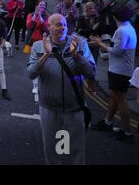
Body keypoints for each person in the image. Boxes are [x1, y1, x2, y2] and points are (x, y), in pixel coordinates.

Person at [27, 14, 95, 164]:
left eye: (64, 24)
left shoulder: (80, 44)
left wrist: (76, 55)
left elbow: (91, 73)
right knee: (52, 152)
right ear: (48, 27)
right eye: (57, 25)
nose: (62, 27)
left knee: (75, 153)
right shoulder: (39, 46)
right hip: (49, 110)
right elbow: (31, 73)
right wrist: (45, 55)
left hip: (74, 109)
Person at [89, 5, 137, 144]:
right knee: (114, 97)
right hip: (122, 69)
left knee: (120, 99)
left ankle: (127, 131)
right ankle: (108, 122)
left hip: (119, 70)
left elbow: (117, 52)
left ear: (115, 17)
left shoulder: (121, 31)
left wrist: (100, 44)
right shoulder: (130, 29)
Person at [26, 0, 49, 99]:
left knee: (43, 63)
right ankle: (35, 85)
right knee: (33, 64)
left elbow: (47, 28)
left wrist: (40, 16)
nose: (42, 7)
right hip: (32, 42)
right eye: (40, 5)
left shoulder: (47, 17)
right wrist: (35, 15)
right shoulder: (31, 14)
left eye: (44, 5)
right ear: (37, 6)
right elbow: (29, 25)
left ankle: (43, 83)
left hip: (43, 43)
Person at [76, 2, 100, 92]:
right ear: (86, 9)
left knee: (93, 64)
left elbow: (102, 30)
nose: (92, 9)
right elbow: (79, 30)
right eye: (90, 8)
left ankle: (91, 85)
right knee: (85, 62)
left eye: (93, 7)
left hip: (95, 44)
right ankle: (83, 81)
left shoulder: (97, 18)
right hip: (85, 44)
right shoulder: (82, 18)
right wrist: (91, 29)